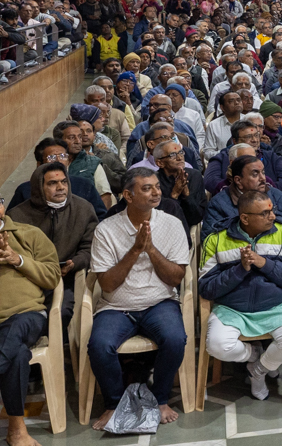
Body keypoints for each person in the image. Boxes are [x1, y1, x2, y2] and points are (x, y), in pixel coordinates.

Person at [86, 168, 191, 429]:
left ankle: (161, 399)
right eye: (147, 188)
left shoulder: (171, 224)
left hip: (159, 302)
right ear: (128, 195)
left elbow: (176, 278)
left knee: (175, 339)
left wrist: (151, 249)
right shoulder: (106, 229)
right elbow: (107, 284)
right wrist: (135, 250)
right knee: (99, 345)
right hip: (116, 306)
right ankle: (113, 404)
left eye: (157, 186)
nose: (156, 192)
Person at [198, 190, 282, 400]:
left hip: (276, 306)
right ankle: (254, 354)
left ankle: (258, 370)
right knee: (217, 346)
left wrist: (264, 263)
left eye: (272, 210)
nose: (272, 216)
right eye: (264, 213)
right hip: (232, 308)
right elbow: (207, 287)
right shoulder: (217, 239)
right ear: (245, 218)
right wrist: (240, 269)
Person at [0, 197, 61, 446]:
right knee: (17, 355)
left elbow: (53, 276)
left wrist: (18, 260)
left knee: (15, 330)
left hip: (27, 315)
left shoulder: (29, 234)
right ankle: (16, 431)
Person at [8, 162, 97, 323]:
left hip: (66, 278)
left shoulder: (83, 209)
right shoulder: (17, 216)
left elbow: (90, 247)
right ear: (39, 188)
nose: (60, 187)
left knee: (61, 311)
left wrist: (76, 262)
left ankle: (58, 339)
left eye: (64, 182)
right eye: (52, 183)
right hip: (27, 278)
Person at [202, 155, 282, 242]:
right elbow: (210, 240)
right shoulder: (218, 204)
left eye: (263, 172)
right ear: (238, 180)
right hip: (236, 253)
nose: (263, 178)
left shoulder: (278, 197)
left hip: (275, 252)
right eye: (255, 174)